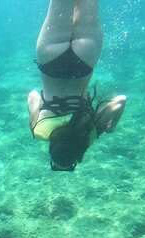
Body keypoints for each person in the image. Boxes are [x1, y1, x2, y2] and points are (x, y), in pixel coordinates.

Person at [28, 0, 126, 171]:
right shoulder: (39, 131)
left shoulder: (89, 133)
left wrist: (112, 126)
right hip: (51, 61)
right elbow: (32, 95)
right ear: (51, 152)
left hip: (84, 60)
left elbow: (120, 101)